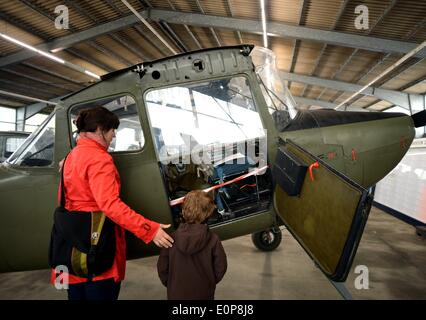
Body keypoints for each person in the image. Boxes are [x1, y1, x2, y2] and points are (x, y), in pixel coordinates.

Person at [50, 106, 174, 300]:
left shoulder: (70, 157)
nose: (114, 135)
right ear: (99, 130)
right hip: (97, 251)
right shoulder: (100, 160)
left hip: (70, 253)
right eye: (112, 130)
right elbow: (110, 205)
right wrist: (150, 229)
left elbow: (62, 198)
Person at [157, 190, 227, 300]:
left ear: (184, 211)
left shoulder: (171, 239)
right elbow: (221, 267)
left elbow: (162, 268)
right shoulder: (213, 240)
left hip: (176, 294)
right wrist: (209, 282)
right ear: (208, 213)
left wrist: (171, 284)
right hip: (204, 293)